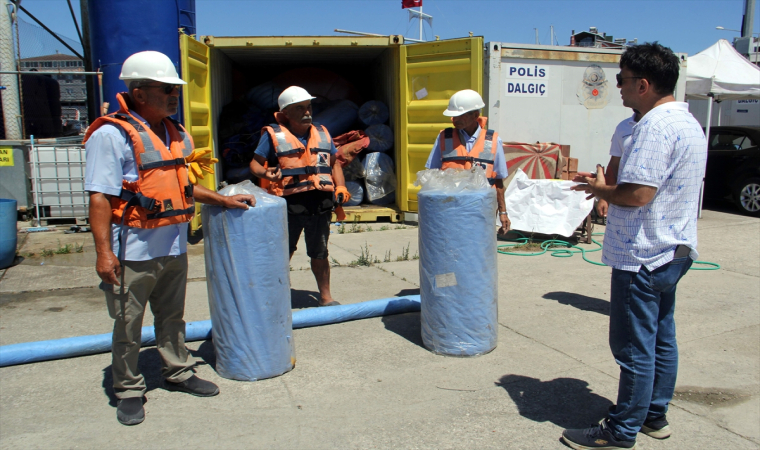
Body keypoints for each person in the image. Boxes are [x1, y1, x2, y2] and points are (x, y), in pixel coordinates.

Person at [84, 51, 255, 426]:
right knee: (129, 324)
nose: (174, 95)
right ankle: (127, 389)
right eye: (166, 89)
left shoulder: (176, 133)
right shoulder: (111, 135)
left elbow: (184, 187)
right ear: (140, 92)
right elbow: (100, 196)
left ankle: (177, 371)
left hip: (174, 245)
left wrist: (223, 199)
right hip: (132, 249)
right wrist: (103, 253)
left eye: (175, 88)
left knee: (172, 318)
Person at [564, 43, 707, 449]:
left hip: (643, 255)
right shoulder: (687, 123)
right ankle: (653, 415)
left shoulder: (653, 128)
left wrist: (599, 188)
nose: (618, 88)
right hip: (674, 249)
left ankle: (620, 430)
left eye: (622, 80)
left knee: (633, 347)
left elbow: (638, 193)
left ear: (643, 84)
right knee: (661, 337)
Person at [250, 86, 349, 307]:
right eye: (300, 108)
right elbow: (255, 164)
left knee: (320, 252)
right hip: (289, 204)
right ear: (285, 113)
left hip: (320, 203)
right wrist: (265, 173)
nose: (307, 112)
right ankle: (274, 298)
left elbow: (334, 164)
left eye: (309, 107)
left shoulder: (322, 133)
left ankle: (326, 297)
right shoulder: (273, 135)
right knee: (283, 253)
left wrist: (340, 187)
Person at [425, 89, 511, 234]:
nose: (454, 120)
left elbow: (498, 180)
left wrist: (503, 212)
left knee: (478, 250)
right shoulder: (443, 138)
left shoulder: (493, 141)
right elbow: (432, 175)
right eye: (453, 116)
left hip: (481, 208)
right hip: (451, 207)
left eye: (460, 115)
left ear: (475, 115)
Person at [596, 109, 641, 218]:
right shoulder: (623, 127)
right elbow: (614, 165)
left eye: (623, 90)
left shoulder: (663, 125)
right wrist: (605, 196)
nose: (621, 92)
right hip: (623, 203)